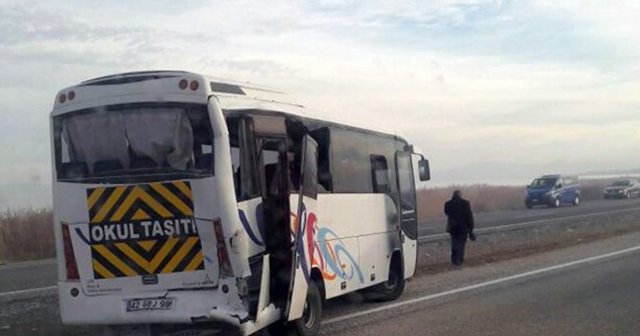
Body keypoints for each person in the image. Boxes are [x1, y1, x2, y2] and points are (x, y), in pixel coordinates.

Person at [444, 190, 476, 266]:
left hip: (453, 227)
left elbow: (446, 212)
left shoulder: (448, 204)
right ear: (460, 195)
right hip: (463, 227)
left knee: (454, 243)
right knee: (461, 244)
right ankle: (460, 259)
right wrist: (471, 228)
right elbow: (469, 216)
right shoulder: (465, 203)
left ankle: (454, 259)